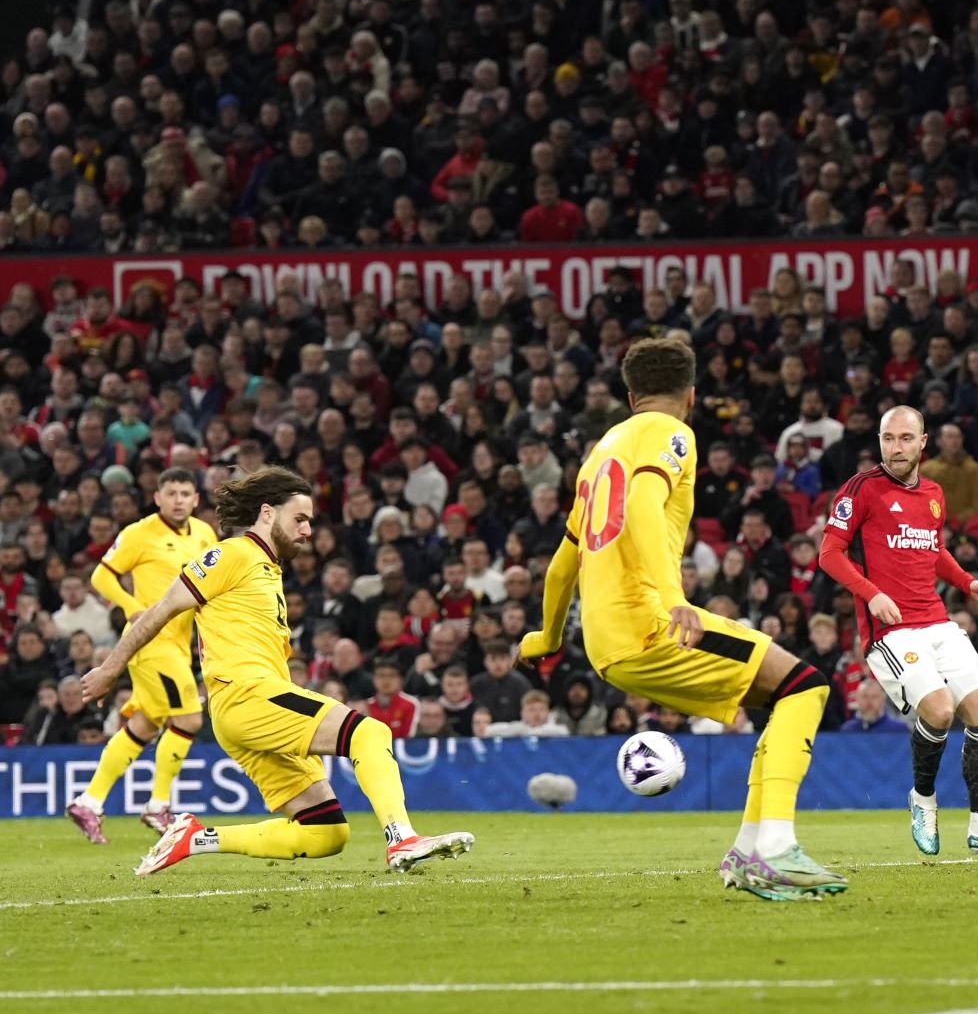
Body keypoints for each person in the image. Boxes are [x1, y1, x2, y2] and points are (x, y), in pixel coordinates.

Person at [518, 337, 844, 901]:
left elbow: (562, 564)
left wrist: (546, 637)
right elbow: (643, 505)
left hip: (605, 642)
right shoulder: (671, 433)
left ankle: (751, 852)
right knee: (806, 686)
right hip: (649, 623)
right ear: (691, 395)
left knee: (781, 696)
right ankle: (772, 848)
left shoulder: (600, 454)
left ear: (630, 396)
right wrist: (675, 598)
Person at [81, 467, 475, 875]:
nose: (307, 530)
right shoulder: (232, 554)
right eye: (299, 519)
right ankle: (401, 838)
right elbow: (161, 610)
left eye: (310, 521)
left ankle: (195, 839)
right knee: (369, 733)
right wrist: (110, 669)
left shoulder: (268, 567)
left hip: (248, 706)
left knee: (325, 832)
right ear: (267, 513)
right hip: (247, 695)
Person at [819, 406, 978, 854]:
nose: (896, 448)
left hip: (937, 620)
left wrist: (967, 582)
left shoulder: (933, 493)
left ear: (922, 442)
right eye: (888, 438)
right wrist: (871, 593)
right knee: (938, 711)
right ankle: (923, 800)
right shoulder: (860, 489)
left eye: (905, 438)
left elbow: (933, 549)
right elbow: (830, 553)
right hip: (891, 630)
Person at [67, 469, 218, 841]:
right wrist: (133, 607)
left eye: (185, 493)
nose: (179, 500)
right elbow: (101, 576)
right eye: (172, 493)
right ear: (158, 497)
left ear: (196, 499)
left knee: (145, 725)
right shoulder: (139, 533)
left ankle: (89, 801)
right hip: (150, 642)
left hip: (179, 644)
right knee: (189, 718)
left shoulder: (205, 534)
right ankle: (157, 806)